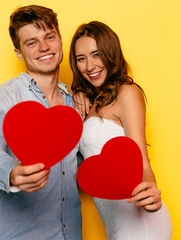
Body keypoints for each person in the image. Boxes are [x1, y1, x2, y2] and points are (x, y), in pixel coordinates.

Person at [0, 5, 81, 240]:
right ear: (19, 52)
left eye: (49, 37)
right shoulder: (3, 96)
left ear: (60, 40)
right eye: (31, 43)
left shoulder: (76, 103)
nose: (44, 47)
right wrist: (11, 173)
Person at [70, 21, 172, 239]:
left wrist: (149, 194)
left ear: (111, 53)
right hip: (114, 223)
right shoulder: (89, 101)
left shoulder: (127, 93)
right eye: (81, 59)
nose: (89, 66)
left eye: (96, 54)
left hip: (141, 218)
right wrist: (76, 93)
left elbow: (141, 162)